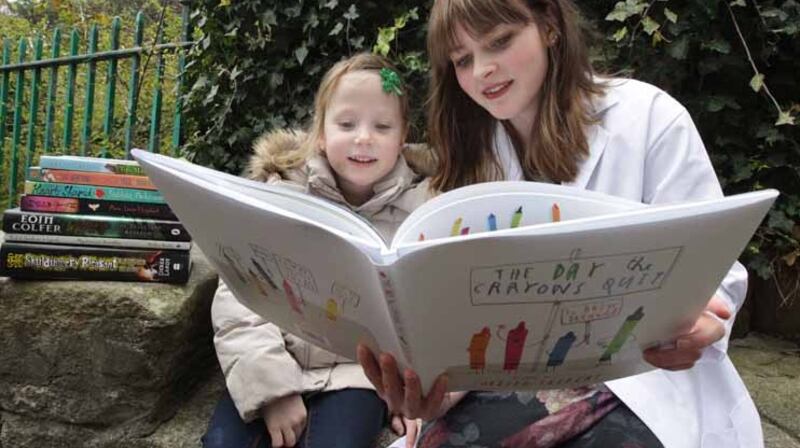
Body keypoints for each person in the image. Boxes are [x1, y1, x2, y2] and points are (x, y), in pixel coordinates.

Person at [359, 1, 763, 447]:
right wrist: (435, 394)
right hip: (508, 384)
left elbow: (717, 272)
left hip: (640, 383)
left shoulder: (649, 117)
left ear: (549, 26)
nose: (482, 71)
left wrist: (700, 324)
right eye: (462, 60)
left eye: (500, 41)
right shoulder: (472, 158)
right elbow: (470, 328)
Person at [202, 52, 436, 448]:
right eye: (347, 124)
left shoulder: (422, 212)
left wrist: (407, 392)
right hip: (276, 356)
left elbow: (425, 315)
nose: (364, 137)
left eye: (382, 126)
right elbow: (238, 298)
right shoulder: (279, 197)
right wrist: (272, 388)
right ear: (321, 131)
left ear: (402, 136)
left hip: (358, 378)